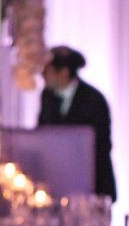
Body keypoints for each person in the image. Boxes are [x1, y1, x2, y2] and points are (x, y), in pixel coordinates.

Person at [37, 44, 115, 201]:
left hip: (92, 186)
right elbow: (42, 133)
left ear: (64, 73)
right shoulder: (47, 97)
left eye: (48, 70)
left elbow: (100, 145)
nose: (43, 75)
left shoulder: (93, 99)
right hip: (57, 185)